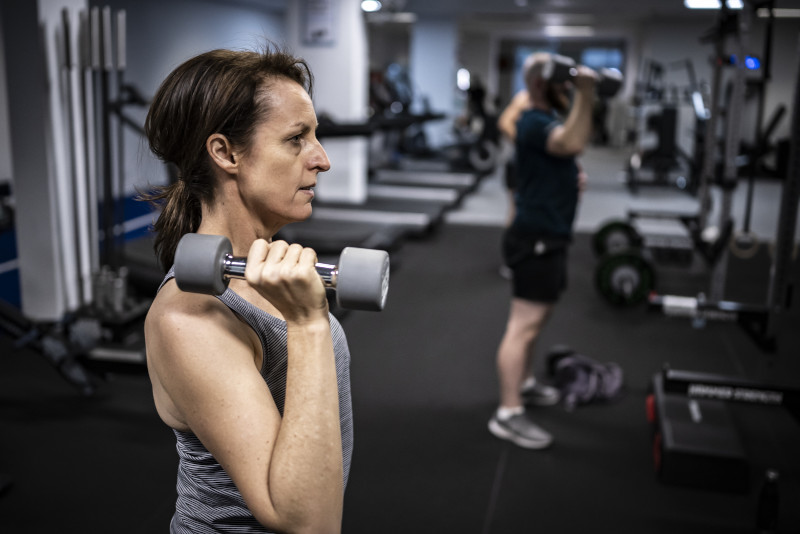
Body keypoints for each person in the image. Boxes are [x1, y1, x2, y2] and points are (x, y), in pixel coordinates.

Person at [140, 45, 352, 533]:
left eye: (314, 136)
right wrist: (308, 323)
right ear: (226, 153)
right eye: (296, 139)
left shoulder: (265, 269)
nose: (322, 159)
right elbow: (307, 522)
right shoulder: (189, 319)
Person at [488, 52, 594, 449]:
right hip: (535, 236)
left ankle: (526, 382)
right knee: (523, 326)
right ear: (539, 84)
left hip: (549, 234)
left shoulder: (544, 119)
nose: (567, 87)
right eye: (562, 82)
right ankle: (508, 413)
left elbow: (565, 150)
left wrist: (568, 178)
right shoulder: (533, 120)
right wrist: (587, 92)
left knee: (537, 320)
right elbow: (573, 141)